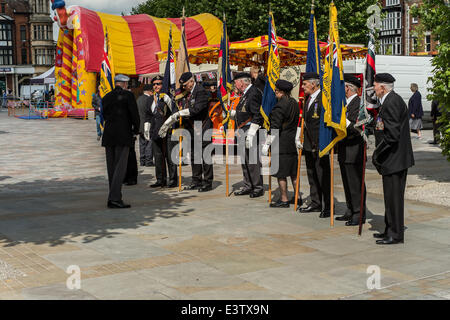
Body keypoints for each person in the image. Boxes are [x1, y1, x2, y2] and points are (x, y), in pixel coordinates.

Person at [372, 73, 414, 245]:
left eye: (375, 85)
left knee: (394, 199)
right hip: (392, 158)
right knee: (389, 198)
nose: (373, 88)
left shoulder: (392, 102)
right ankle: (389, 229)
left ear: (382, 87)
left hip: (394, 158)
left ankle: (395, 235)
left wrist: (377, 153)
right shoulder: (389, 101)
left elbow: (393, 135)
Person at [159, 72, 213, 192]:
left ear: (191, 81)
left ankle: (208, 182)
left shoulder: (200, 91)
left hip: (202, 126)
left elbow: (197, 109)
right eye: (182, 86)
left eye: (185, 85)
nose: (183, 88)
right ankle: (196, 180)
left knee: (205, 155)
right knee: (194, 155)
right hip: (192, 127)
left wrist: (179, 114)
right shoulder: (187, 94)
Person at [101, 74, 140, 209]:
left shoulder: (106, 97)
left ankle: (113, 196)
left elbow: (104, 115)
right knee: (120, 167)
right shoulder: (128, 96)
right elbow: (134, 115)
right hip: (123, 135)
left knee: (111, 168)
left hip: (109, 135)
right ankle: (115, 198)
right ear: (124, 84)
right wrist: (136, 129)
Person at [296, 72, 331, 218]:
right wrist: (299, 135)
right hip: (309, 143)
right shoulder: (308, 98)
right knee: (312, 174)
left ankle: (328, 206)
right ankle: (316, 202)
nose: (302, 87)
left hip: (320, 143)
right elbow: (305, 120)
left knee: (323, 175)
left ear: (313, 84)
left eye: (304, 84)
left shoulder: (323, 98)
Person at [261, 79, 300, 207]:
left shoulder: (279, 106)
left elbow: (275, 128)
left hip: (281, 143)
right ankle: (297, 197)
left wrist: (267, 144)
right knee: (293, 173)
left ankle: (284, 199)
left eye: (276, 91)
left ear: (280, 92)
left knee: (281, 174)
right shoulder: (294, 103)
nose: (275, 93)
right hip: (291, 141)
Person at [336, 74, 366, 226]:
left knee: (356, 184)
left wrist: (342, 119)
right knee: (347, 183)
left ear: (347, 88)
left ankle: (359, 213)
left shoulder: (359, 104)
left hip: (355, 150)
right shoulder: (345, 104)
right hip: (344, 150)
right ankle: (350, 209)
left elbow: (357, 127)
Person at [231, 72, 264, 198]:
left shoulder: (254, 93)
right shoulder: (245, 94)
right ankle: (248, 185)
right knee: (245, 160)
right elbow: (245, 110)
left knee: (252, 160)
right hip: (242, 129)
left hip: (250, 130)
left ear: (242, 82)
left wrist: (251, 133)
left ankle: (257, 187)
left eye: (236, 82)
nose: (235, 85)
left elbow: (257, 115)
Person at [144, 75, 178, 188]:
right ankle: (160, 180)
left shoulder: (167, 97)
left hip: (167, 131)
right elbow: (148, 115)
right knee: (158, 157)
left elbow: (174, 112)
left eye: (158, 83)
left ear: (163, 85)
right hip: (155, 131)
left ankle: (173, 180)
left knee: (170, 156)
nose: (156, 86)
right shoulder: (150, 99)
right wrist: (146, 127)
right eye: (154, 84)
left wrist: (168, 101)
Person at [137, 84, 154, 166]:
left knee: (142, 143)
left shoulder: (138, 99)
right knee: (149, 143)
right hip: (148, 124)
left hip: (140, 125)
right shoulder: (149, 99)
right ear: (149, 91)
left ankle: (142, 160)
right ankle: (148, 161)